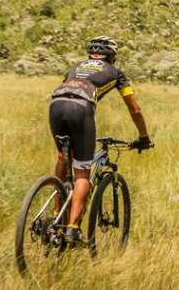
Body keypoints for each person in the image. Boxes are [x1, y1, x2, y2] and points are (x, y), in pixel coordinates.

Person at [49, 36, 151, 244]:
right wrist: (144, 137)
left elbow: (67, 87)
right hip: (81, 109)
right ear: (112, 56)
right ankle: (72, 228)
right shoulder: (116, 72)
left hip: (55, 104)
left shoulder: (76, 66)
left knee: (63, 156)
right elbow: (135, 109)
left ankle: (56, 215)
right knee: (83, 173)